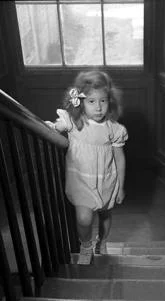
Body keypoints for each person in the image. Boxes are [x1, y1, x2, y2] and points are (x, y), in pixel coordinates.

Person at [45, 70, 128, 265]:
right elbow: (58, 127)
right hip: (81, 181)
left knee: (105, 215)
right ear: (80, 101)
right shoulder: (75, 123)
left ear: (110, 101)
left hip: (106, 180)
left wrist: (121, 186)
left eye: (103, 101)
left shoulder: (114, 129)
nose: (98, 107)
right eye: (91, 101)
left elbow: (120, 158)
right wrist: (53, 126)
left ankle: (103, 240)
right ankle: (86, 244)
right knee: (83, 218)